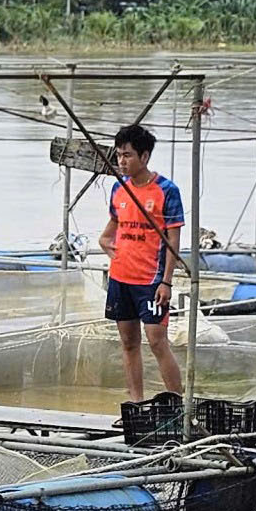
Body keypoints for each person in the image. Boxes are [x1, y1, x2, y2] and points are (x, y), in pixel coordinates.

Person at [99, 122, 187, 403]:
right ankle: (136, 403)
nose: (122, 161)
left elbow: (173, 239)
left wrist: (166, 281)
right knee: (128, 342)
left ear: (144, 156)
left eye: (127, 155)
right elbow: (115, 224)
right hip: (121, 277)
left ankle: (177, 405)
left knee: (157, 341)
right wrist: (104, 241)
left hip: (151, 280)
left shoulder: (166, 190)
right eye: (119, 155)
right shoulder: (119, 187)